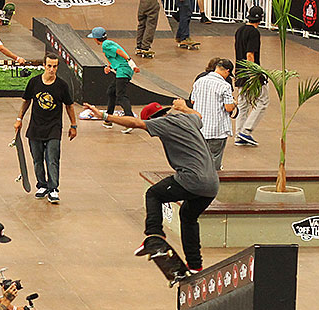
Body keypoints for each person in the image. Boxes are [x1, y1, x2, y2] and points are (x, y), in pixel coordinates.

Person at [83, 99, 219, 273]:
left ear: (152, 120)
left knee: (154, 194)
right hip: (212, 185)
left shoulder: (161, 123)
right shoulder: (187, 119)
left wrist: (104, 115)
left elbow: (134, 122)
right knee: (188, 216)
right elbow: (198, 115)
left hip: (192, 179)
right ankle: (195, 266)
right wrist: (183, 108)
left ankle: (154, 236)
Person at [15, 53, 77, 204]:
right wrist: (19, 119)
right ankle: (42, 185)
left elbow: (69, 106)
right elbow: (26, 101)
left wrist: (73, 125)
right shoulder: (34, 82)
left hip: (53, 128)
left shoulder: (62, 86)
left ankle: (53, 188)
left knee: (52, 159)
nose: (52, 69)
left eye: (55, 66)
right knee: (37, 159)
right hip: (36, 127)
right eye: (49, 66)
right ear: (44, 65)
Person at [87, 27, 140, 134]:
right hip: (122, 70)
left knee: (121, 96)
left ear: (96, 39)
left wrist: (131, 63)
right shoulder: (107, 44)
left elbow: (119, 52)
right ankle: (108, 119)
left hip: (123, 70)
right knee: (111, 92)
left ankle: (130, 121)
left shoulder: (106, 44)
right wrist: (108, 67)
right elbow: (114, 58)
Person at [191, 58, 236, 171]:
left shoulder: (199, 81)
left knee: (199, 159)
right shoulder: (224, 86)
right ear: (227, 71)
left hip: (200, 128)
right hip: (217, 131)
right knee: (213, 163)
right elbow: (228, 107)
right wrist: (235, 103)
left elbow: (192, 101)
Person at [234, 5, 269, 147]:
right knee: (263, 100)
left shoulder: (239, 30)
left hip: (240, 72)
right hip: (251, 73)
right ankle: (246, 130)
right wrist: (253, 74)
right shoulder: (254, 33)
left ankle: (239, 135)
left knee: (243, 104)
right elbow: (250, 54)